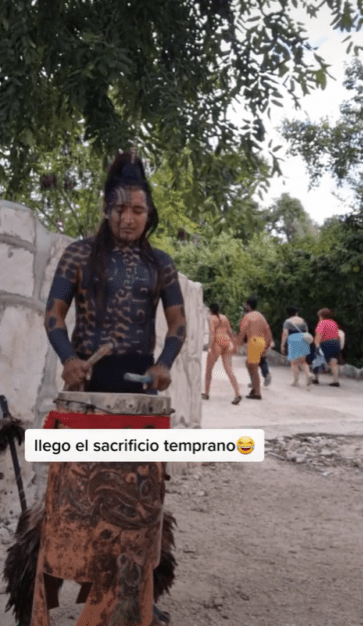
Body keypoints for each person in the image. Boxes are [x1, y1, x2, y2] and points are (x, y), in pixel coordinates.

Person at [36, 149, 186, 626]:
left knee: (140, 496)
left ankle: (133, 591)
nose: (128, 218)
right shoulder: (79, 253)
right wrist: (69, 359)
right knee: (75, 496)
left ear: (149, 214)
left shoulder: (161, 264)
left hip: (139, 393)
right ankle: (56, 585)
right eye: (120, 209)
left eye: (138, 210)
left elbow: (178, 326)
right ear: (106, 208)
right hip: (88, 391)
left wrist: (163, 364)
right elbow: (53, 316)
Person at [203, 303, 241, 404]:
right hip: (227, 343)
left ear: (210, 310)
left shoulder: (211, 318)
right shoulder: (224, 317)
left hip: (217, 344)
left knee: (209, 369)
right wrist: (235, 345)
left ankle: (206, 393)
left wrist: (210, 347)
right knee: (229, 370)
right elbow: (230, 331)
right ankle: (237, 393)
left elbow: (212, 333)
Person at [235, 297, 270, 400]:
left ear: (247, 305)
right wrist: (266, 346)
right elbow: (268, 331)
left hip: (254, 342)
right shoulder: (261, 316)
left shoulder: (247, 317)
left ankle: (257, 392)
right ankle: (255, 388)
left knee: (253, 368)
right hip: (261, 342)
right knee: (249, 364)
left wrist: (238, 343)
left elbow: (243, 331)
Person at [281, 306, 312, 387]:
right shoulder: (303, 320)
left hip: (293, 339)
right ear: (296, 313)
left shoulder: (287, 321)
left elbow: (285, 333)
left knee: (294, 363)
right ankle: (308, 374)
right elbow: (307, 331)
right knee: (303, 361)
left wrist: (282, 345)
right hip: (303, 339)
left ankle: (296, 381)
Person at [312, 308, 341, 386]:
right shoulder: (334, 323)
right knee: (333, 361)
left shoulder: (322, 323)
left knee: (318, 359)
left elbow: (319, 335)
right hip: (336, 343)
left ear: (321, 316)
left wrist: (316, 345)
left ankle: (315, 379)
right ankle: (336, 381)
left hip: (326, 343)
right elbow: (337, 335)